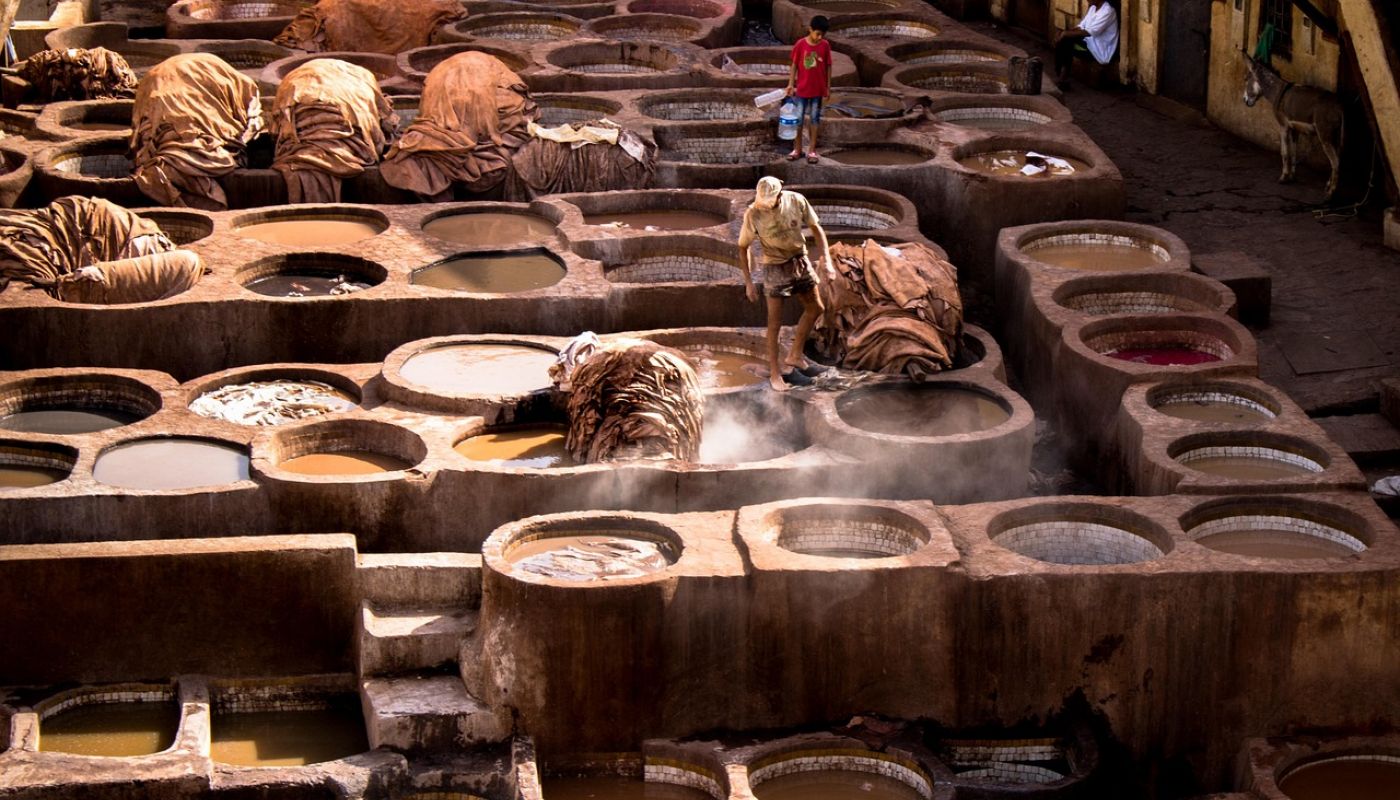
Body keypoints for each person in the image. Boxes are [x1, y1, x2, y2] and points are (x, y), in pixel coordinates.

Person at [738, 176, 834, 391]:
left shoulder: (796, 201)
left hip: (799, 259)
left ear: (780, 195)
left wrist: (826, 259)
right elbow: (743, 248)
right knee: (774, 324)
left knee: (816, 307)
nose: (767, 205)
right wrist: (749, 282)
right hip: (774, 267)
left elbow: (816, 228)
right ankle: (774, 374)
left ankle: (795, 355)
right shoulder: (754, 213)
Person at [784, 15, 832, 164]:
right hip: (802, 90)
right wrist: (791, 84)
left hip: (817, 90)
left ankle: (811, 150)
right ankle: (797, 149)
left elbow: (828, 66)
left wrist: (828, 87)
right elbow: (794, 65)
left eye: (822, 35)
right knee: (798, 120)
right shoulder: (800, 45)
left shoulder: (825, 46)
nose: (819, 37)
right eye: (817, 33)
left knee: (814, 120)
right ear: (810, 29)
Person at [1052, 0, 1118, 91]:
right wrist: (1063, 33)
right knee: (1064, 41)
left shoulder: (1108, 11)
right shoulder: (1093, 8)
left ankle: (1062, 78)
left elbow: (1089, 32)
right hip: (1089, 43)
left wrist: (1065, 34)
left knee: (1067, 43)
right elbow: (1081, 27)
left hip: (1098, 51)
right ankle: (1061, 77)